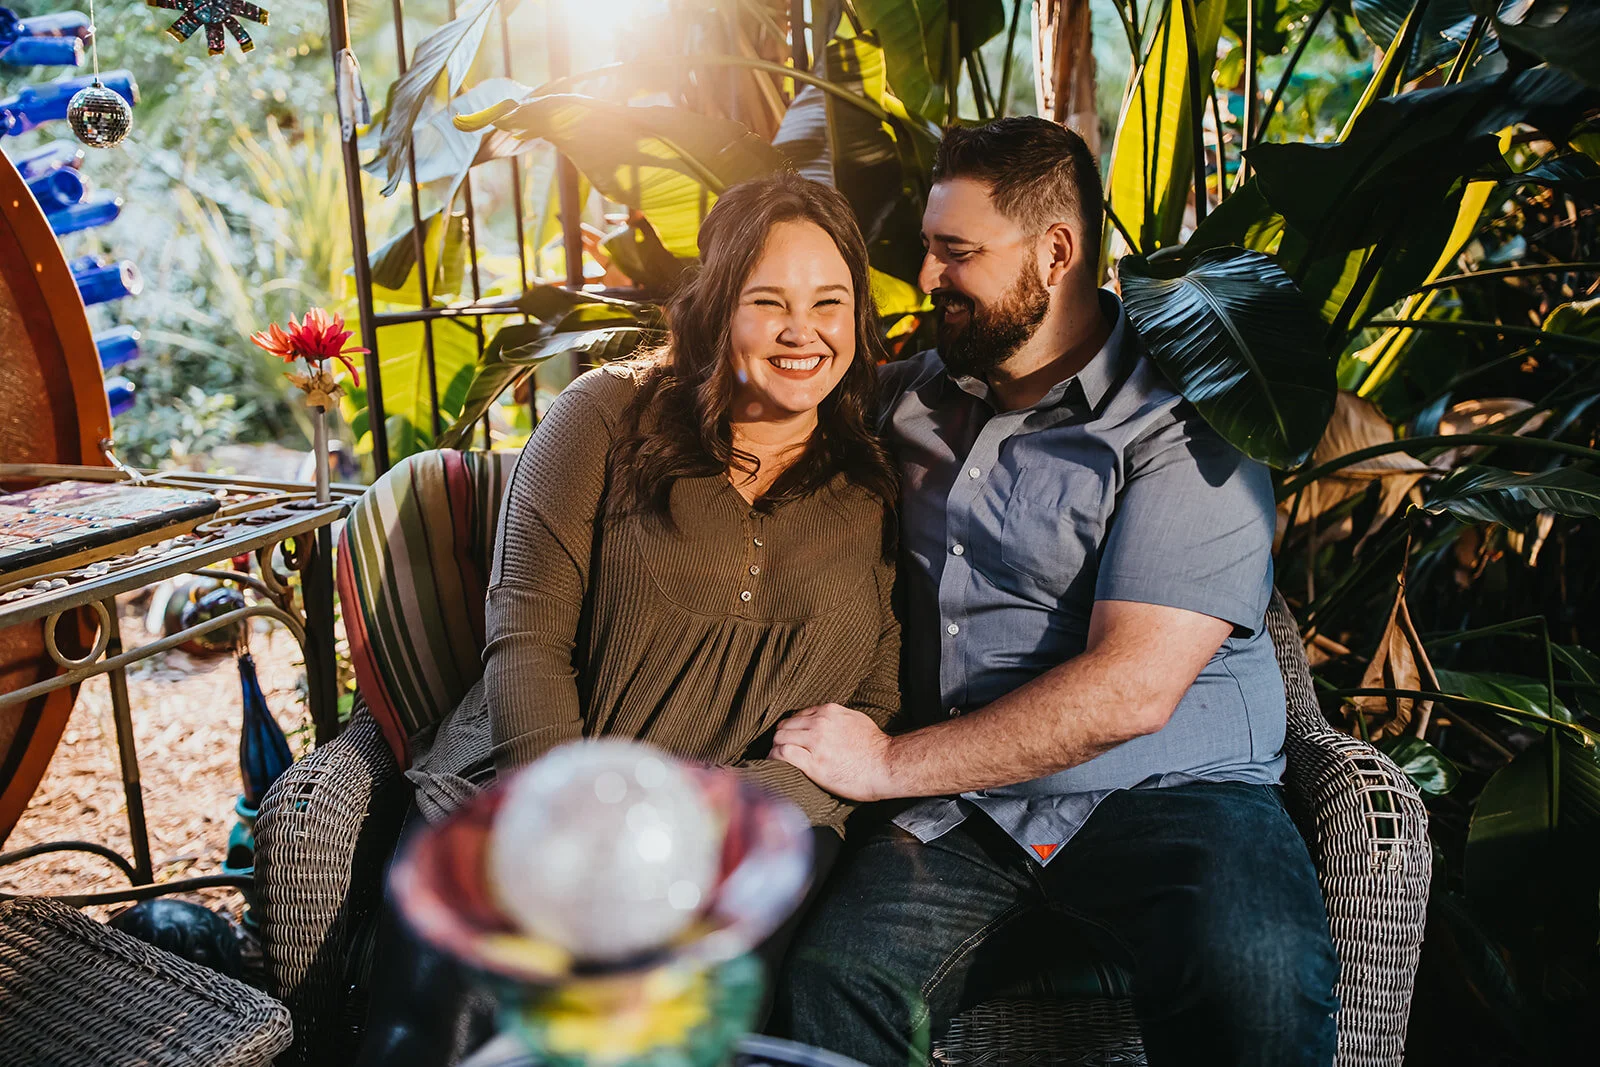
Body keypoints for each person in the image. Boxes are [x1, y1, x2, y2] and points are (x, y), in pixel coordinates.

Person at [767, 117, 1339, 1066]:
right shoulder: (910, 400)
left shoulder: (1189, 418)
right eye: (927, 248)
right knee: (832, 981)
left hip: (1176, 795)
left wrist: (886, 766)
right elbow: (757, 397)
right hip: (969, 812)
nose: (926, 278)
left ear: (1056, 253)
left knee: (1258, 968)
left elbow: (1132, 690)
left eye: (957, 253)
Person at [355, 172, 901, 1066]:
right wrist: (581, 833)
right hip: (531, 802)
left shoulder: (872, 476)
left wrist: (713, 836)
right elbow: (525, 638)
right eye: (769, 301)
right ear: (718, 307)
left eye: (829, 302)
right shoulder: (604, 416)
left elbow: (876, 692)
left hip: (739, 844)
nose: (804, 331)